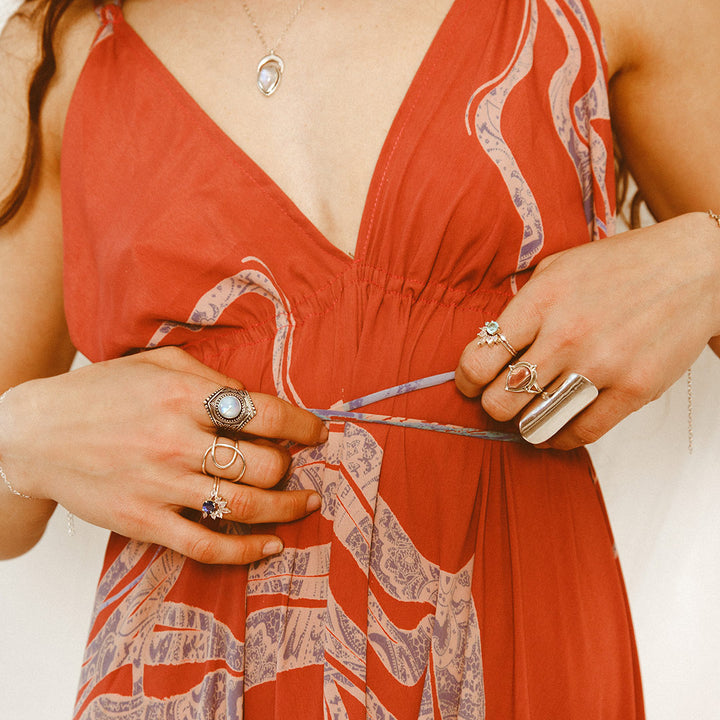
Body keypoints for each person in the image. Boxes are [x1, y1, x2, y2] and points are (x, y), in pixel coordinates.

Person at [0, 0, 718, 717]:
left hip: (507, 642)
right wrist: (21, 438)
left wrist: (707, 260)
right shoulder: (59, 54)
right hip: (189, 673)